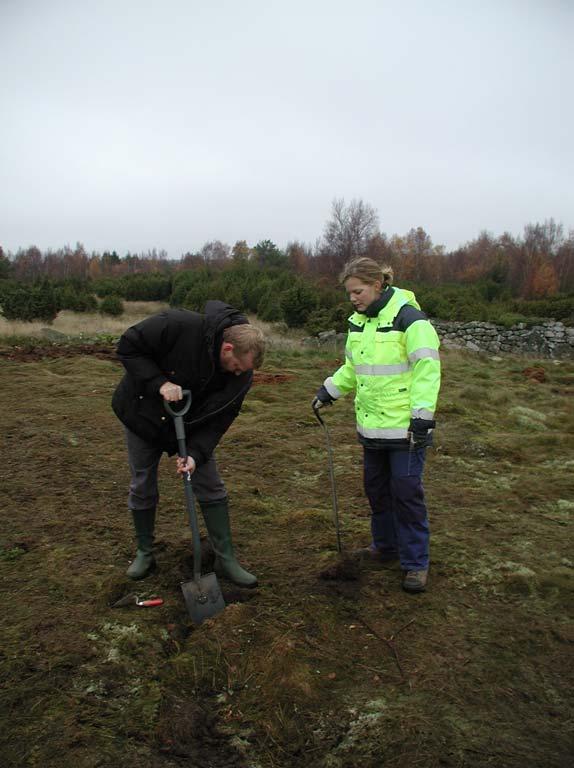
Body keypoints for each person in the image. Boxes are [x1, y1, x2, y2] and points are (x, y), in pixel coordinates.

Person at [112, 300, 265, 586]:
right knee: (143, 481)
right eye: (235, 367)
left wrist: (195, 454)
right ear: (227, 348)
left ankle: (225, 558)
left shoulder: (241, 376)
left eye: (243, 371)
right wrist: (159, 383)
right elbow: (128, 346)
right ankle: (145, 552)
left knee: (210, 484)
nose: (238, 373)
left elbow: (220, 421)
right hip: (142, 415)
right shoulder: (179, 325)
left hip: (191, 426)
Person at [312, 258, 440, 593]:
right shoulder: (358, 323)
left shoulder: (410, 319)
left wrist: (423, 415)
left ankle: (415, 563)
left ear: (377, 285)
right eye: (349, 293)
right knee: (376, 490)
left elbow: (428, 369)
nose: (353, 298)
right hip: (371, 428)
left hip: (406, 430)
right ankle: (384, 548)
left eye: (358, 291)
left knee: (407, 493)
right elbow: (353, 367)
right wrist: (330, 390)